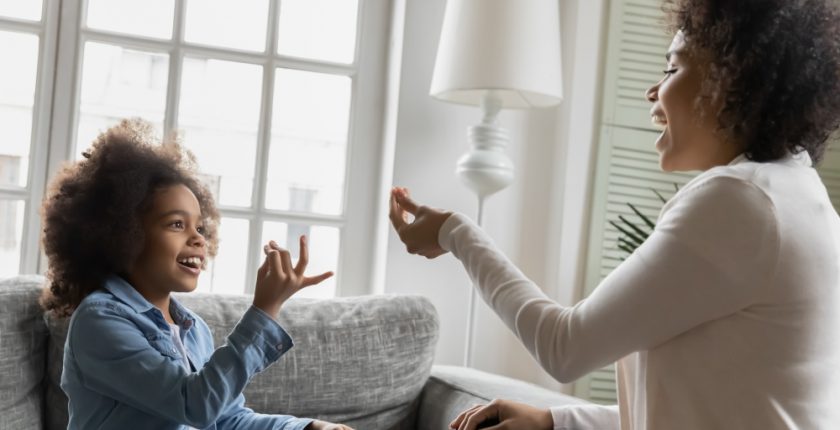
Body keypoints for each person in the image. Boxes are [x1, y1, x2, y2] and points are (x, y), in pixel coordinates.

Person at [389, 0, 840, 428]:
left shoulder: (740, 202)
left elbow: (564, 347)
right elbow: (712, 406)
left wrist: (455, 234)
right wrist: (555, 420)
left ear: (730, 80)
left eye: (672, 68)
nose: (652, 91)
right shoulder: (797, 195)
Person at [40, 119, 352, 430]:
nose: (198, 238)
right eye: (177, 224)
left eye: (200, 227)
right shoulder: (99, 322)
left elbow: (228, 419)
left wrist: (308, 428)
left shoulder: (194, 329)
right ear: (123, 233)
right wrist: (264, 311)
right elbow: (194, 404)